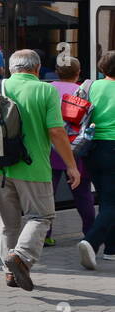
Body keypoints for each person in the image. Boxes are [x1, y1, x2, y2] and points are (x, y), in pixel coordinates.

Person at [0, 49, 80, 291]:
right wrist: (71, 165)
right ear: (37, 69)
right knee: (41, 216)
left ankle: (10, 273)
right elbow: (56, 131)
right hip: (34, 168)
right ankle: (20, 256)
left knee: (8, 223)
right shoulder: (45, 90)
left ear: (11, 68)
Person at [44, 56, 95, 248]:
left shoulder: (46, 89)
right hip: (76, 149)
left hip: (49, 148)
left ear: (56, 72)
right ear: (78, 72)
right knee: (83, 194)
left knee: (47, 194)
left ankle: (45, 234)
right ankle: (90, 234)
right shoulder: (82, 91)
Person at [75, 51, 115, 271]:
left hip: (91, 149)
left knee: (107, 198)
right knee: (111, 202)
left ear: (102, 67)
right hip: (113, 147)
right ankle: (91, 242)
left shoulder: (92, 86)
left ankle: (111, 249)